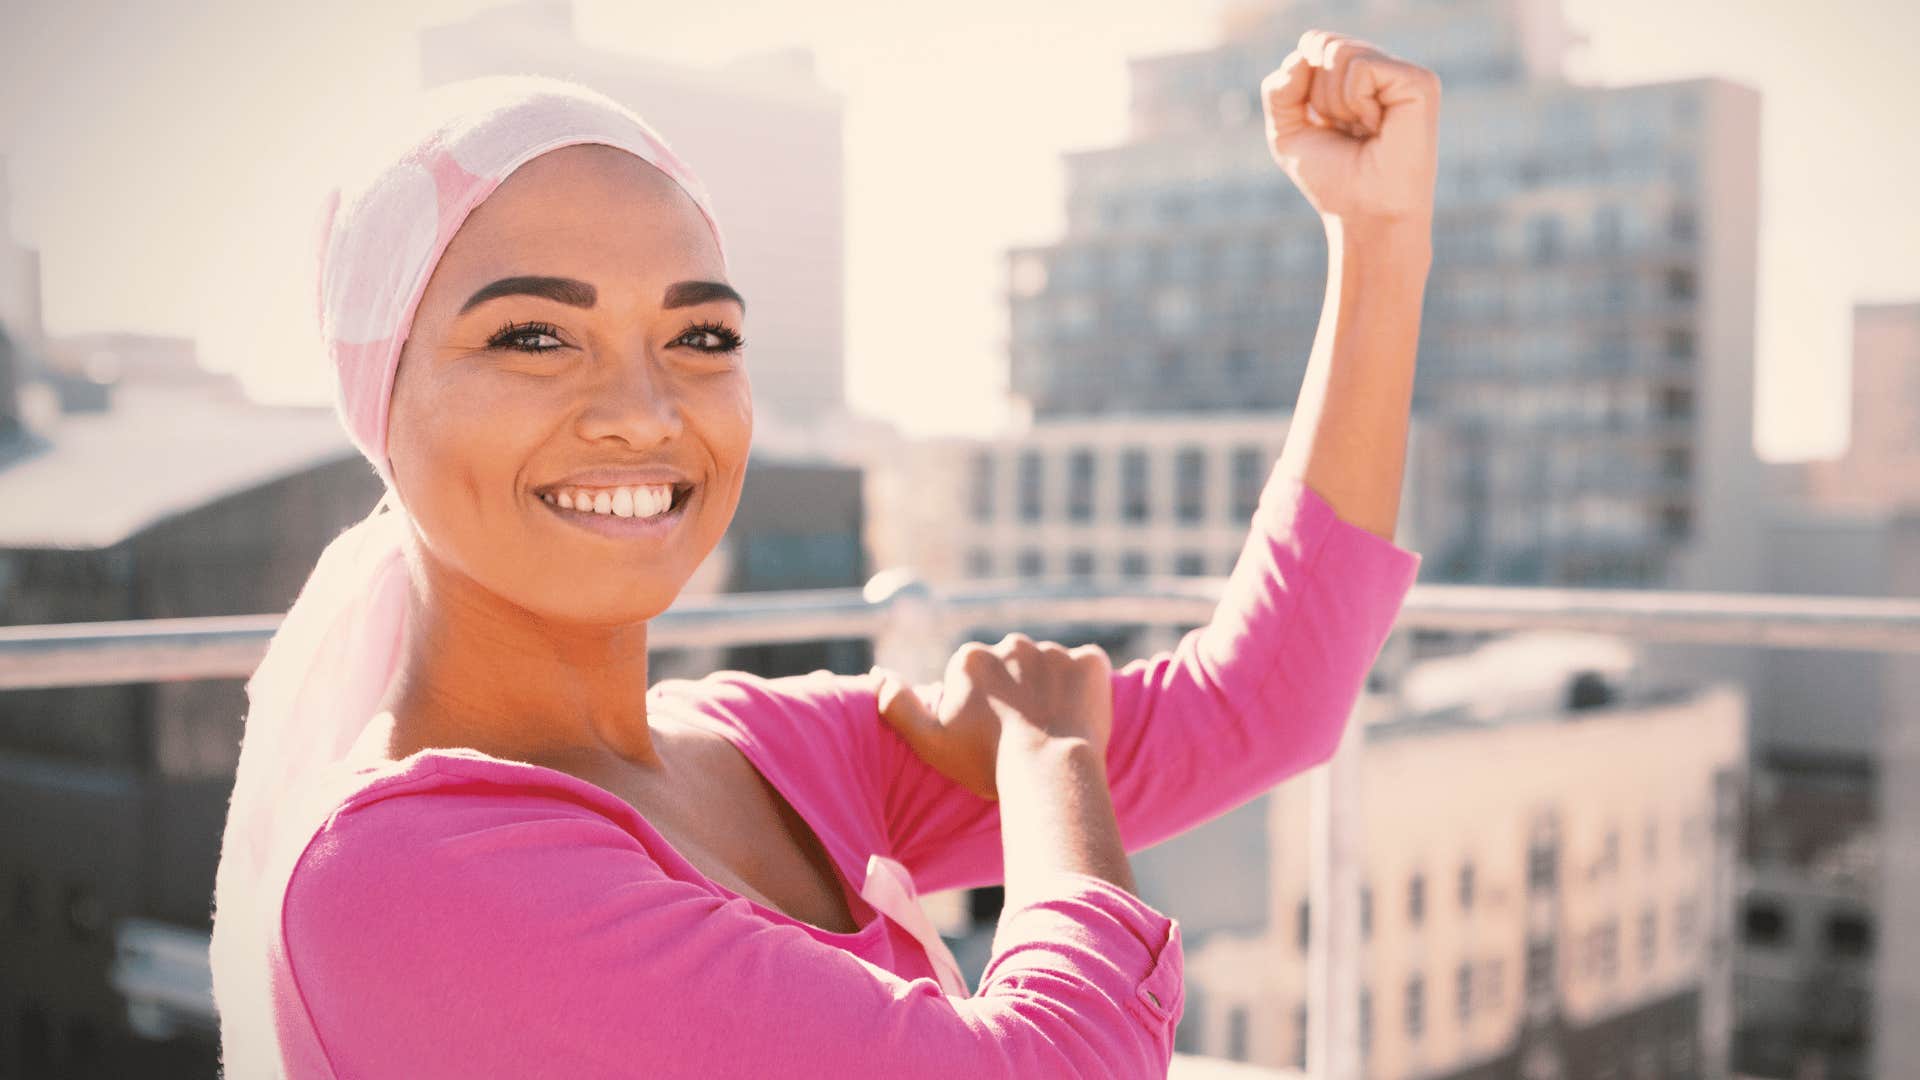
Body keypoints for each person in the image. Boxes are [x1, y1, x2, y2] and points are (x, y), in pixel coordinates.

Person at [209, 26, 1437, 1080]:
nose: (645, 409)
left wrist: (1378, 238)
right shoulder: (404, 875)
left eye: (701, 335)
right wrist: (1051, 756)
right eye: (534, 335)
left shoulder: (768, 748)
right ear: (380, 399)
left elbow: (1262, 703)